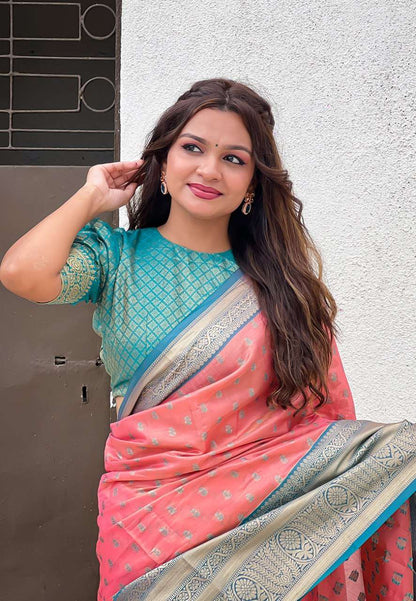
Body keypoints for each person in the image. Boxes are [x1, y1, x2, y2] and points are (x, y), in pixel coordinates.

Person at [1, 77, 415, 601]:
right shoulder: (115, 258)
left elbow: (323, 415)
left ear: (253, 183)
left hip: (264, 509)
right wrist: (91, 198)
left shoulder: (284, 287)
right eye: (192, 148)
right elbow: (22, 273)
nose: (209, 170)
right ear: (163, 162)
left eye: (233, 159)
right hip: (147, 513)